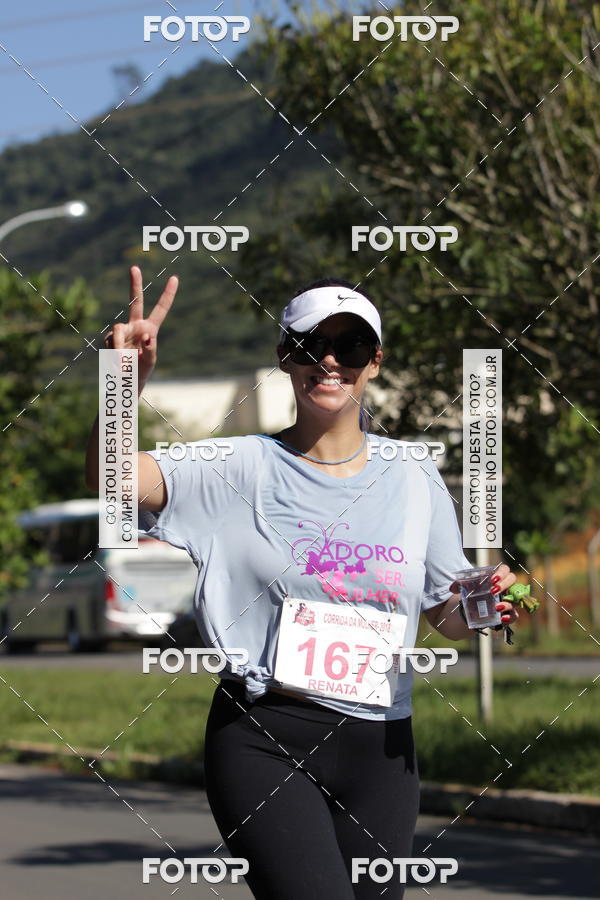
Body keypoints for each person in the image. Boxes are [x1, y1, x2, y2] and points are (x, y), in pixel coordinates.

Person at [85, 266, 519, 899]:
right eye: (311, 345)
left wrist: (484, 604)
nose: (330, 361)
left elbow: (445, 612)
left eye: (352, 346)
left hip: (382, 747)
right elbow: (113, 479)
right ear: (285, 357)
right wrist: (121, 381)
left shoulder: (414, 473)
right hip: (265, 738)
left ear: (375, 361)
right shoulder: (236, 466)